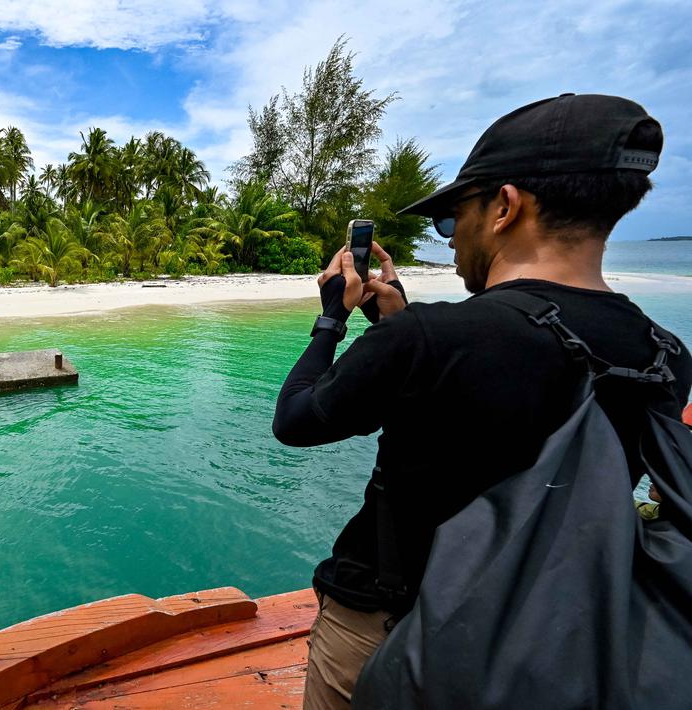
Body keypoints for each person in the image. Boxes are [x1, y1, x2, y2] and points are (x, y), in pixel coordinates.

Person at [271, 94, 692, 710]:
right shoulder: (665, 354)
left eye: (452, 220)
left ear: (504, 206)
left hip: (391, 625)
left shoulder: (430, 339)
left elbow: (296, 420)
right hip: (548, 635)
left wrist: (332, 315)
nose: (450, 242)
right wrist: (401, 323)